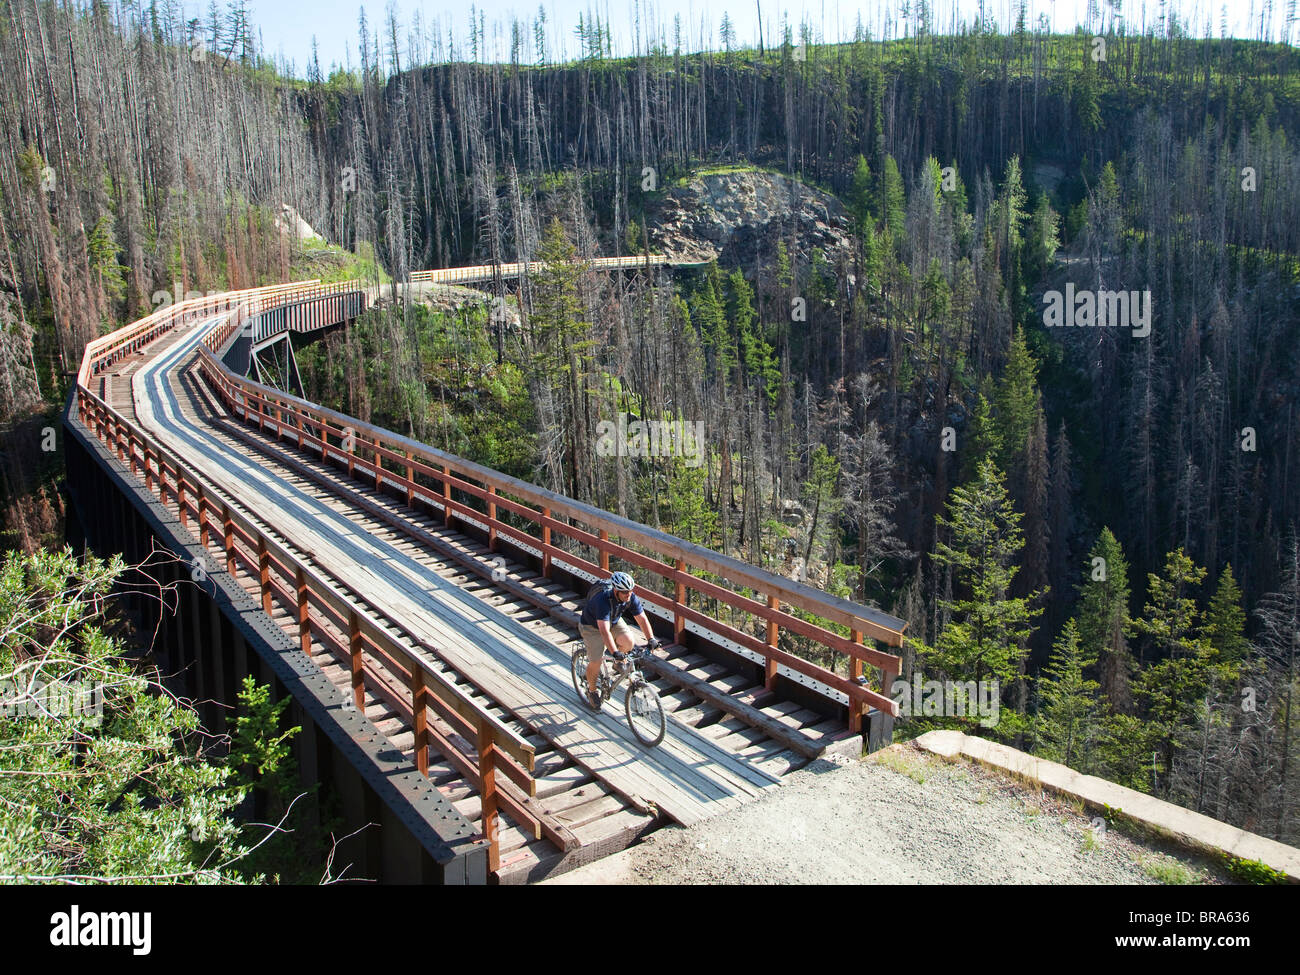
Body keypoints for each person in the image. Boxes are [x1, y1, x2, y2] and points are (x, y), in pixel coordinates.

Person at [577, 571, 657, 709]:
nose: (628, 594)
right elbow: (604, 631)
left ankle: (617, 663)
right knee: (596, 660)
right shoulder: (602, 601)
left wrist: (651, 639)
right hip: (591, 626)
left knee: (629, 641)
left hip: (612, 620)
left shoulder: (630, 597)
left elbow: (642, 618)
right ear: (616, 591)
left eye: (631, 591)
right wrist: (614, 651)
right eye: (625, 592)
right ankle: (592, 690)